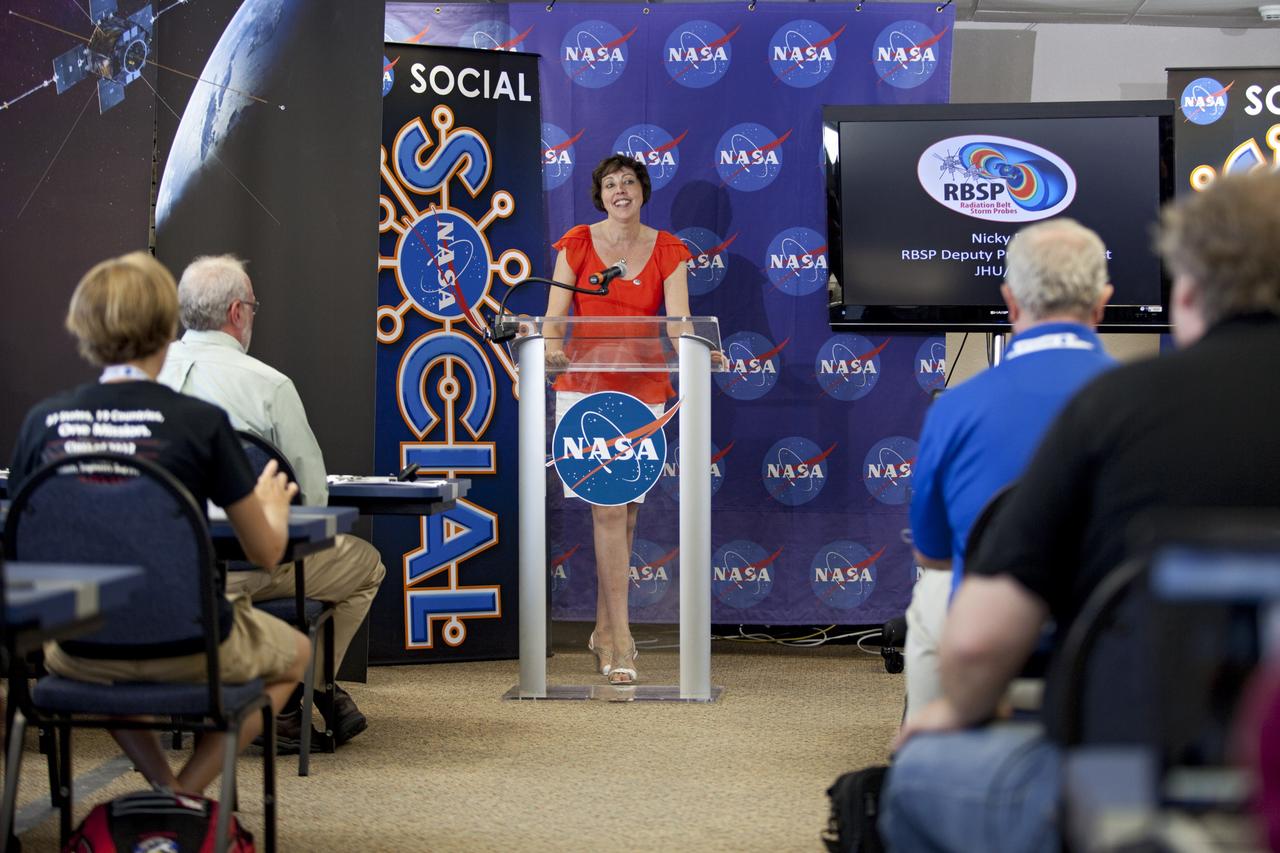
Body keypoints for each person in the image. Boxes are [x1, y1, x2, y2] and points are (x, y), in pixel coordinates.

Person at [882, 171, 1280, 852]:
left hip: (1127, 763)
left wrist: (954, 711)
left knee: (913, 777)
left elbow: (973, 634)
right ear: (1103, 303)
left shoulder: (1114, 410)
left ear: (1186, 291)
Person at [7, 251, 310, 794]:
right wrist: (271, 508)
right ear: (165, 324)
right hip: (194, 646)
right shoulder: (198, 424)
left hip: (79, 651)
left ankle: (163, 788)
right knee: (297, 653)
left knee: (105, 680)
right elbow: (266, 554)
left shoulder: (41, 424)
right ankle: (185, 795)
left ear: (83, 327)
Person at [159, 254, 385, 749]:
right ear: (238, 313)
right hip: (243, 565)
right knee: (367, 565)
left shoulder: (137, 380)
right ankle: (295, 695)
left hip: (156, 571)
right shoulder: (268, 385)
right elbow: (312, 499)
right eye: (254, 308)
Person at [904, 218, 1116, 718]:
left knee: (929, 595)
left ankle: (933, 749)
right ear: (1102, 300)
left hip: (991, 644)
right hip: (1118, 634)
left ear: (1011, 301)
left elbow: (932, 555)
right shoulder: (1151, 401)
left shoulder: (955, 409)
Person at [545, 155, 693, 685]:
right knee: (608, 511)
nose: (620, 190)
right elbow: (554, 319)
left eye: (629, 181)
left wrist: (698, 351)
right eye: (610, 184)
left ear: (643, 191)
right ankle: (621, 638)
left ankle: (603, 631)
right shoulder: (578, 244)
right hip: (585, 390)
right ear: (599, 195)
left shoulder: (670, 250)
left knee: (627, 513)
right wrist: (551, 351)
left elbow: (678, 323)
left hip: (644, 391)